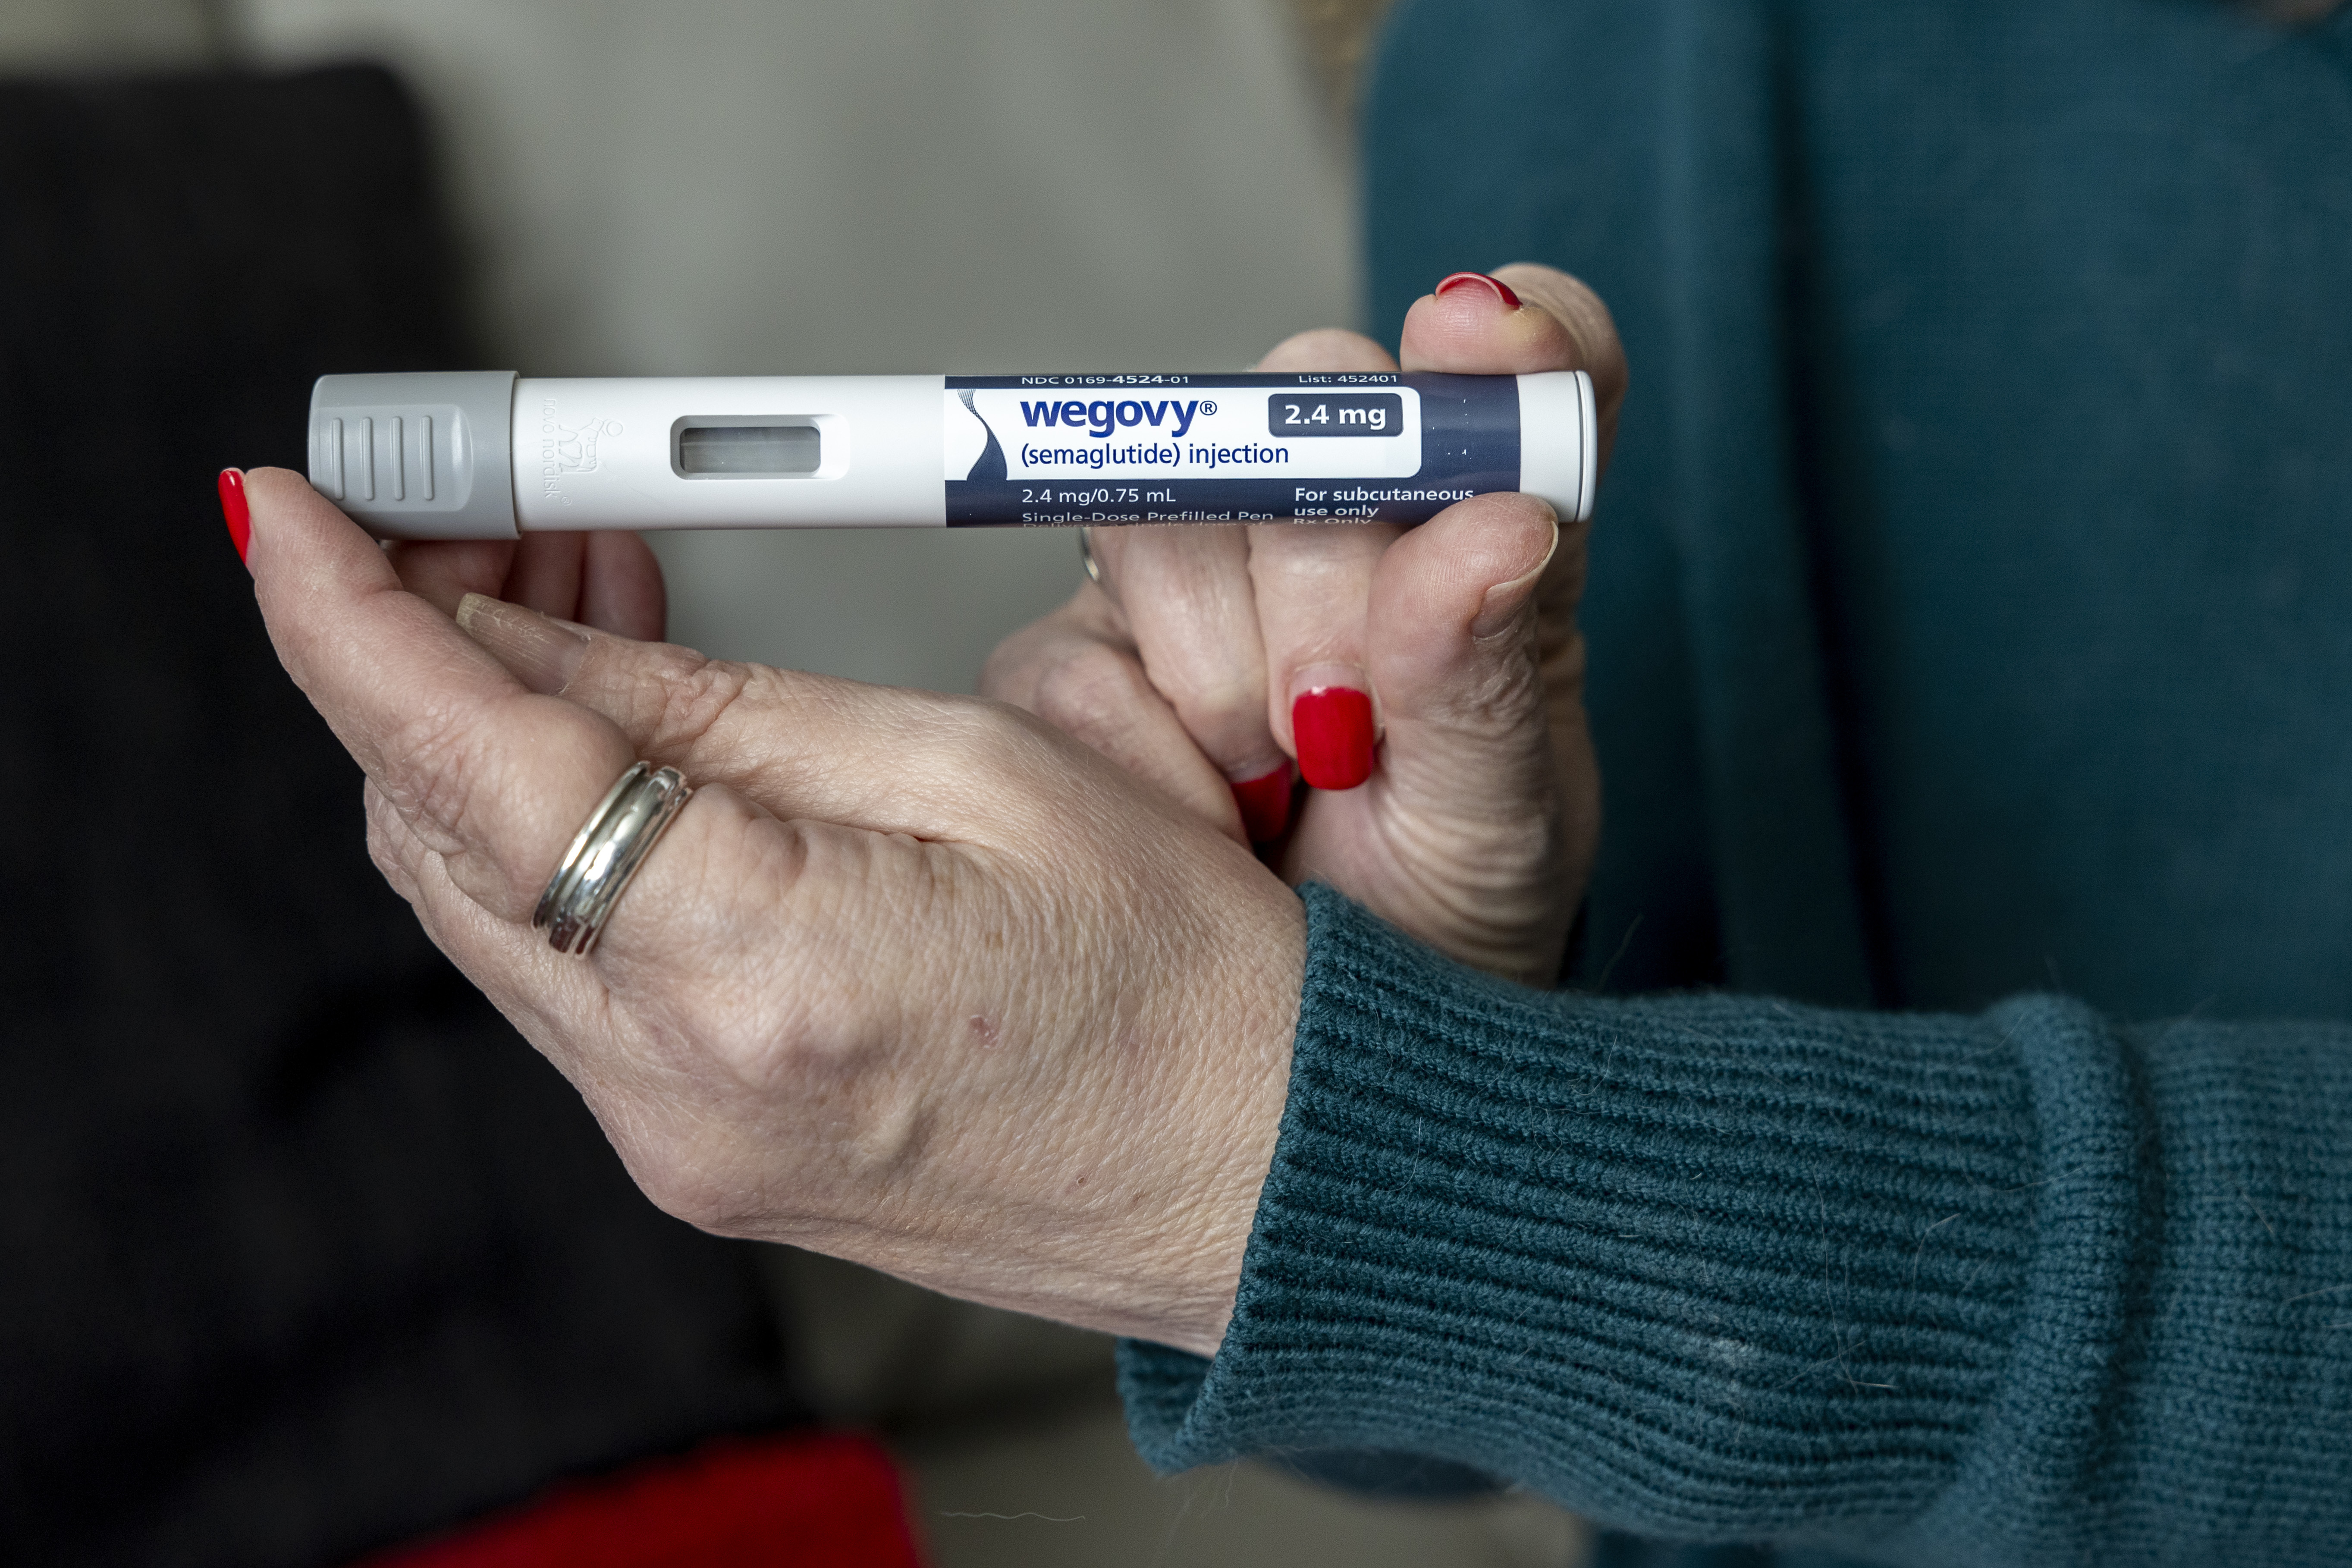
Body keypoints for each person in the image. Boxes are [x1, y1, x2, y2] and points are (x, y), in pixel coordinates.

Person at [222, 0, 2352, 1562]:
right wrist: (1396, 1017)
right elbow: (1549, 1398)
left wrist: (1309, 1163)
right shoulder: (1537, 57)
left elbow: (1583, 1232)